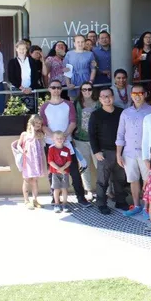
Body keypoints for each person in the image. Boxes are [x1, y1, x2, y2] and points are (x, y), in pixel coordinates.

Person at [39, 79, 91, 207]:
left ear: (61, 89)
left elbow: (73, 122)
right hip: (50, 144)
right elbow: (43, 125)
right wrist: (54, 138)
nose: (56, 90)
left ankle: (81, 197)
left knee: (74, 171)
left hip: (67, 143)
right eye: (53, 87)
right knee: (53, 170)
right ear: (49, 89)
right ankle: (55, 198)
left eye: (58, 87)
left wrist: (63, 137)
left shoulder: (69, 104)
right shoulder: (44, 106)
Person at [116, 83, 151, 217]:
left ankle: (146, 207)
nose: (137, 96)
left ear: (144, 95)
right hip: (129, 153)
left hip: (147, 154)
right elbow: (120, 135)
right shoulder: (125, 113)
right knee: (133, 180)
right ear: (131, 95)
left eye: (140, 93)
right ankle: (136, 205)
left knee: (147, 181)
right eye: (134, 94)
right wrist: (118, 154)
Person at [88, 88, 127, 214]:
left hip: (120, 152)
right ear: (100, 99)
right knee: (102, 180)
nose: (106, 99)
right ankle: (101, 203)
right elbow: (92, 135)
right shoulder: (96, 115)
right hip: (104, 153)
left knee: (120, 178)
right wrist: (96, 151)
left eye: (109, 96)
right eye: (103, 96)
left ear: (113, 97)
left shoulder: (121, 113)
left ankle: (121, 201)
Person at [73, 82, 99, 201]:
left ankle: (106, 190)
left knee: (100, 166)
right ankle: (89, 191)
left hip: (96, 139)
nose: (87, 92)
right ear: (81, 91)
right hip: (80, 139)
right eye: (84, 90)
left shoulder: (98, 102)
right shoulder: (77, 103)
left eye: (89, 89)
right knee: (85, 166)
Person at [13, 115, 47, 209]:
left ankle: (35, 199)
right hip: (27, 160)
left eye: (40, 123)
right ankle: (26, 200)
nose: (38, 125)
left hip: (36, 160)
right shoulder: (25, 134)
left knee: (35, 180)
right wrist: (21, 151)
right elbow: (19, 145)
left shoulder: (40, 135)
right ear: (31, 123)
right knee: (27, 180)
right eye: (36, 123)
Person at [8, 41, 43, 112]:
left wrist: (30, 88)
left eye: (24, 49)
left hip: (31, 90)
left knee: (31, 112)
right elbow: (11, 78)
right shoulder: (12, 62)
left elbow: (36, 76)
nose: (22, 51)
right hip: (18, 90)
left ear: (26, 50)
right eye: (20, 48)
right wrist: (22, 88)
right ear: (16, 49)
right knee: (18, 112)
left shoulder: (32, 61)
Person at [47, 131, 72, 213]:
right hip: (55, 172)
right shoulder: (51, 149)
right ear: (53, 139)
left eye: (61, 138)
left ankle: (65, 204)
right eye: (57, 138)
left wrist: (63, 168)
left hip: (65, 173)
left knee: (64, 188)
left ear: (64, 139)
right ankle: (57, 204)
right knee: (56, 189)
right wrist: (58, 168)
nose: (59, 140)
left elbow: (69, 161)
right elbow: (50, 161)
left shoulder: (67, 149)